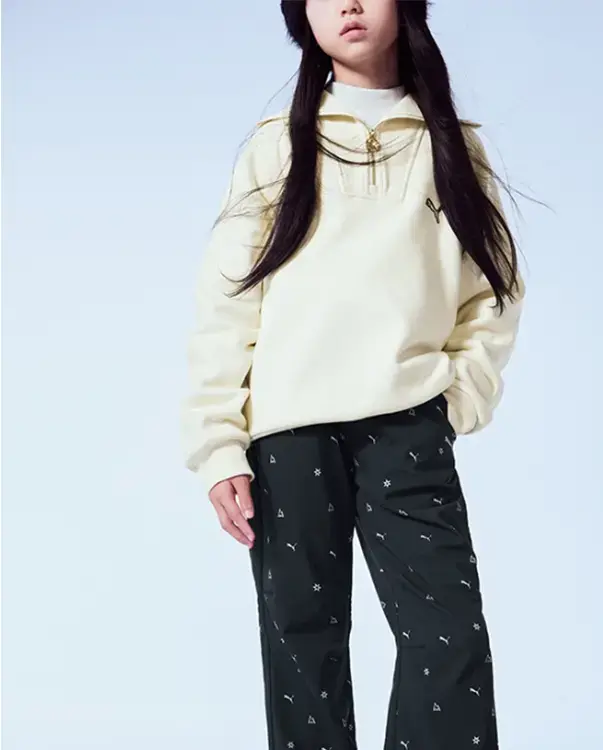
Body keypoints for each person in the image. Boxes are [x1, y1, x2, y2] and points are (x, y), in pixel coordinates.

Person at [179, 1, 526, 747]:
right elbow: (227, 301)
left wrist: (456, 399)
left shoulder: (453, 146)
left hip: (408, 425)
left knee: (449, 638)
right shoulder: (278, 146)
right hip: (288, 431)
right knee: (302, 646)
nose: (348, 4)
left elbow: (495, 289)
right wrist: (218, 444)